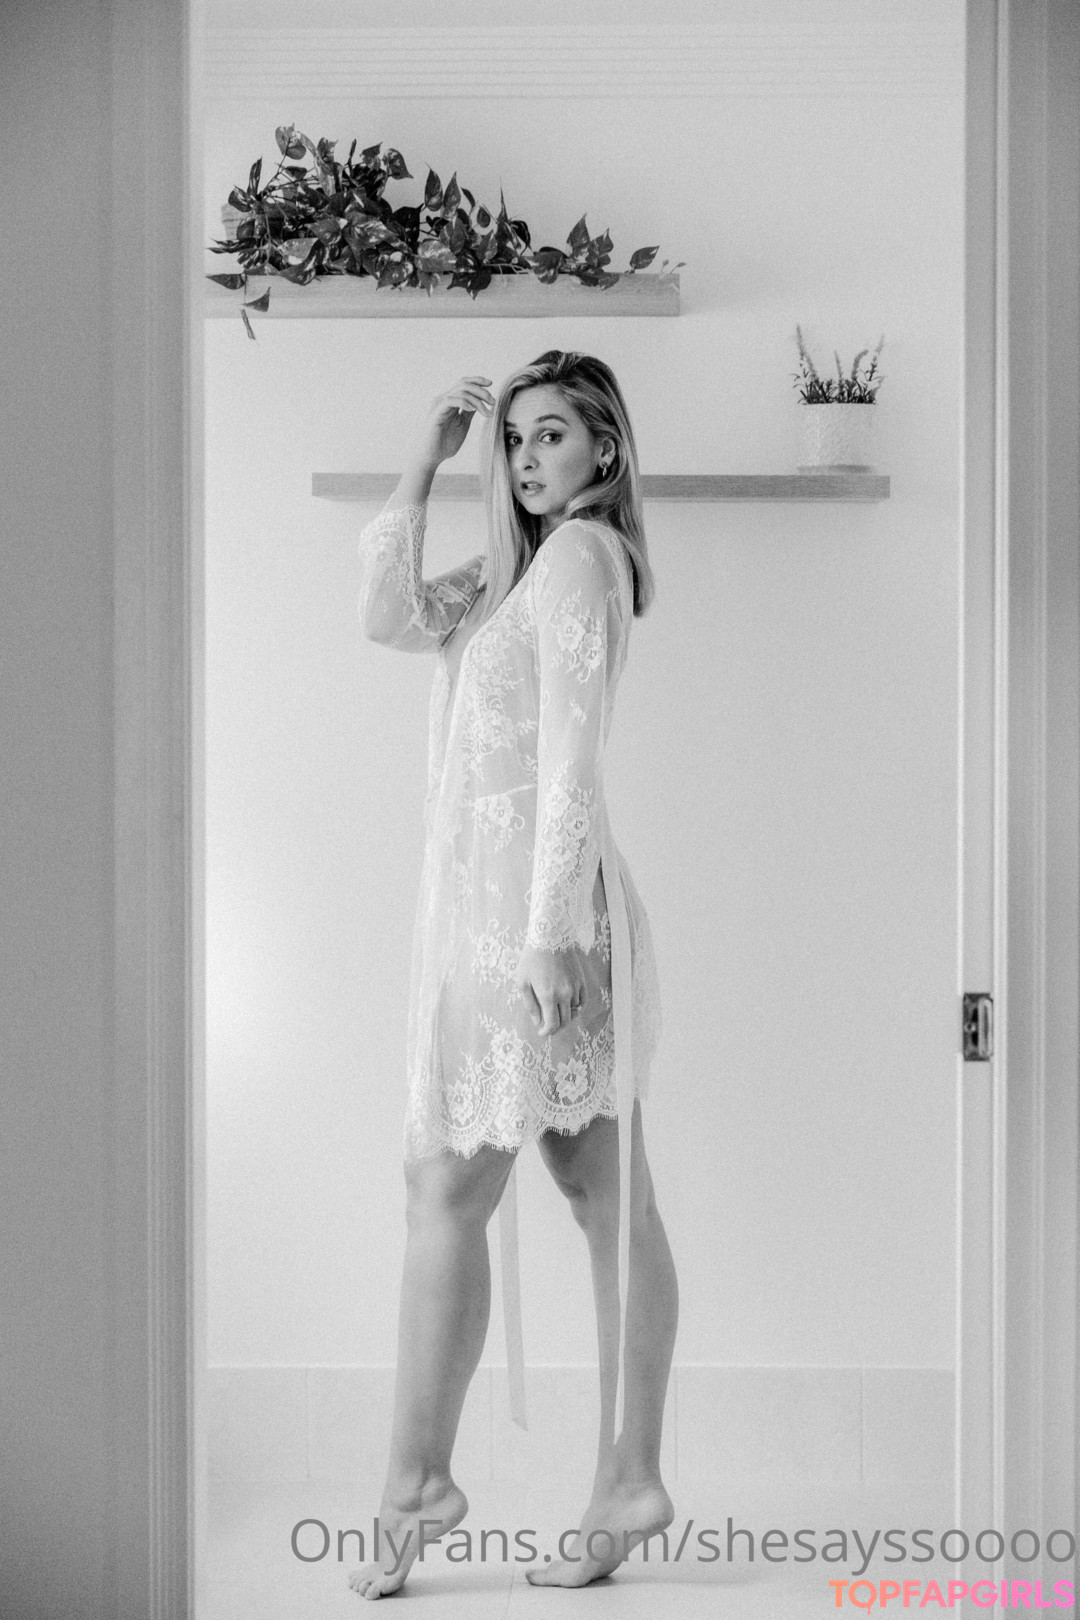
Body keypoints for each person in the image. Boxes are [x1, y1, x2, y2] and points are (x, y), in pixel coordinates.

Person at [348, 350, 678, 1599]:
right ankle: (621, 1480)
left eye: (552, 435)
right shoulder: (516, 571)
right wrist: (425, 462)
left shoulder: (584, 559)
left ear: (605, 448)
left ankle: (420, 1482)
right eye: (518, 438)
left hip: (538, 932)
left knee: (459, 1188)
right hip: (488, 927)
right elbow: (387, 617)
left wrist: (548, 937)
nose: (529, 458)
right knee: (599, 1197)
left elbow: (573, 760)